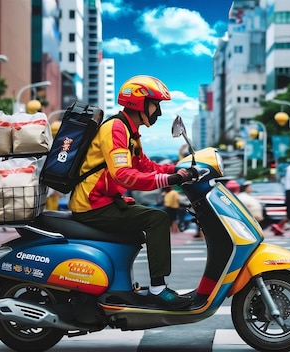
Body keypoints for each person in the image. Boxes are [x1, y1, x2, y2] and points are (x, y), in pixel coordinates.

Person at [69, 75, 196, 309]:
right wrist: (168, 179)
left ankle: (121, 285)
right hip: (92, 204)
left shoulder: (130, 131)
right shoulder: (116, 128)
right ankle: (157, 289)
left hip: (106, 201)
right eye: (155, 104)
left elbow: (145, 166)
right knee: (157, 219)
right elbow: (124, 175)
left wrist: (180, 169)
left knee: (144, 221)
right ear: (139, 103)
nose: (158, 111)